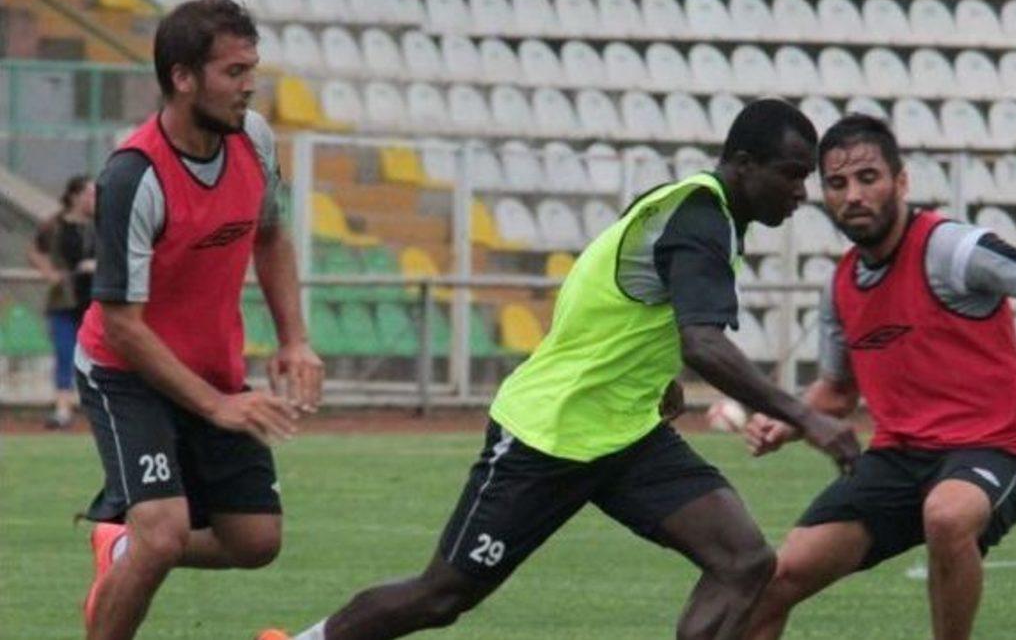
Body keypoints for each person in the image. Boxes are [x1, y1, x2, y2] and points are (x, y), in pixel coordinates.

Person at [259, 99, 860, 640]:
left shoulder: (695, 210)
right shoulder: (699, 217)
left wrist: (655, 377)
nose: (801, 192)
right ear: (745, 164)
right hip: (550, 433)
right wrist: (806, 417)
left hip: (626, 433)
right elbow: (701, 342)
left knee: (744, 562)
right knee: (442, 596)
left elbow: (618, 296)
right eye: (791, 174)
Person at [742, 114, 1016, 640]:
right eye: (837, 183)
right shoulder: (840, 285)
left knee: (947, 516)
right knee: (775, 580)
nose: (853, 195)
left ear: (901, 182)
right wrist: (787, 420)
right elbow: (837, 392)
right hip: (897, 459)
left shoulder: (952, 249)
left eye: (868, 177)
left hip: (995, 448)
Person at [73, 0, 324, 640]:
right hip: (125, 371)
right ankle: (138, 547)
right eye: (234, 72)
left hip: (212, 368)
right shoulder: (134, 176)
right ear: (183, 77)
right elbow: (122, 323)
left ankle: (120, 548)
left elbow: (271, 235)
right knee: (162, 534)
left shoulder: (254, 138)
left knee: (256, 540)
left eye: (251, 70)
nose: (249, 85)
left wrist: (295, 340)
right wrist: (218, 406)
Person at [26, 175, 96, 428]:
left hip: (96, 301)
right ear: (75, 196)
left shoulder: (102, 224)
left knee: (97, 356)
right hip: (65, 299)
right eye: (90, 194)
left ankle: (97, 409)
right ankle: (63, 409)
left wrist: (98, 266)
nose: (95, 199)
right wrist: (50, 273)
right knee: (65, 353)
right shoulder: (55, 224)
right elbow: (34, 250)